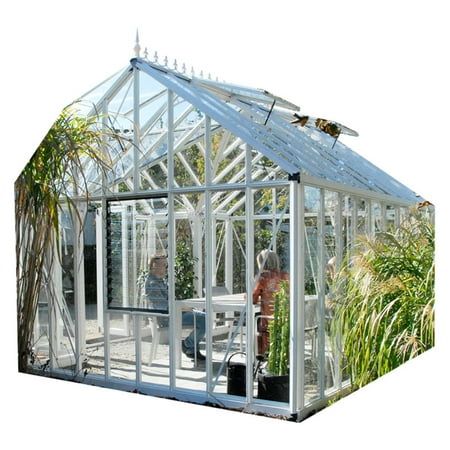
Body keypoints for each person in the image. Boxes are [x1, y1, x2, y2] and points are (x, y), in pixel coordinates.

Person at [145, 255, 206, 362]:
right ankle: (187, 345)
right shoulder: (153, 284)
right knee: (204, 318)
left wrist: (184, 307)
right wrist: (183, 309)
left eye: (166, 265)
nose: (166, 267)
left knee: (203, 316)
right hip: (167, 318)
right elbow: (163, 308)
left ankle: (191, 349)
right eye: (164, 265)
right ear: (155, 267)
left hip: (173, 314)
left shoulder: (160, 281)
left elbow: (169, 302)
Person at [252, 250, 289, 357]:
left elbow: (252, 299)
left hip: (268, 322)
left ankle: (261, 357)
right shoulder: (286, 276)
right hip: (285, 320)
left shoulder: (263, 278)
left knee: (257, 324)